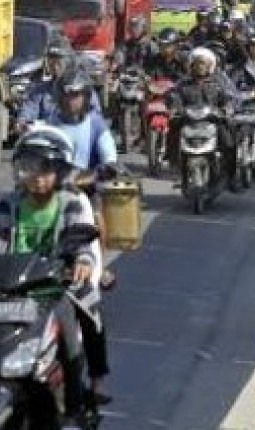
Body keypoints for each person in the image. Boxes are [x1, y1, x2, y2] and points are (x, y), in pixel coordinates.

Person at [0, 127, 101, 425]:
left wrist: (82, 260)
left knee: (73, 333)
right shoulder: (10, 203)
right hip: (10, 288)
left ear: (59, 171)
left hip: (52, 289)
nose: (36, 177)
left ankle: (75, 402)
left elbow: (82, 240)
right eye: (28, 168)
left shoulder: (70, 202)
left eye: (45, 169)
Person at [45, 68, 117, 403]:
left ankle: (98, 378)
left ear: (85, 96)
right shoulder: (48, 125)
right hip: (52, 194)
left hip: (82, 194)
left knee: (89, 306)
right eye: (67, 94)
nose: (72, 99)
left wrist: (96, 173)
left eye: (77, 94)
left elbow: (109, 157)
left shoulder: (96, 124)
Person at [167, 47, 240, 190]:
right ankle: (174, 165)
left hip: (212, 121)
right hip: (188, 121)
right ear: (191, 65)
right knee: (173, 131)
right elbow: (174, 97)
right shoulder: (183, 83)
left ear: (210, 66)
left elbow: (228, 99)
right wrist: (175, 109)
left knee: (229, 142)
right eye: (197, 63)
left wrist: (226, 109)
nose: (200, 67)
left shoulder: (218, 83)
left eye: (203, 64)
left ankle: (231, 177)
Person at [17, 45, 102, 130]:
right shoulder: (39, 91)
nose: (55, 66)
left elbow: (95, 116)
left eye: (59, 61)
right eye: (51, 61)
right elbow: (28, 111)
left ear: (68, 62)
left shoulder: (82, 90)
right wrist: (22, 122)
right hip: (47, 138)